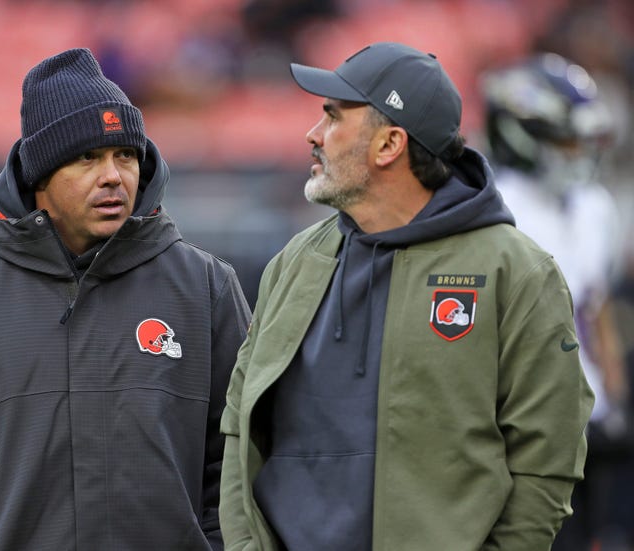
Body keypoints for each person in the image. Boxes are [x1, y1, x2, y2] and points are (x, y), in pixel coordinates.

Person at [0, 48, 251, 550]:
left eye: (126, 155)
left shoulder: (206, 288)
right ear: (39, 176)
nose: (114, 176)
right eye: (87, 157)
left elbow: (242, 457)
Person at [218, 41, 594, 551]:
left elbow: (547, 459)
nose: (313, 135)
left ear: (389, 144)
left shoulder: (517, 271)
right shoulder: (295, 261)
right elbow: (241, 419)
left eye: (332, 117)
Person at [482, 52, 631, 551]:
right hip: (527, 422)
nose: (577, 152)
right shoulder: (497, 209)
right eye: (565, 139)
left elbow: (595, 304)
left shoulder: (594, 207)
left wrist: (613, 392)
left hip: (591, 420)